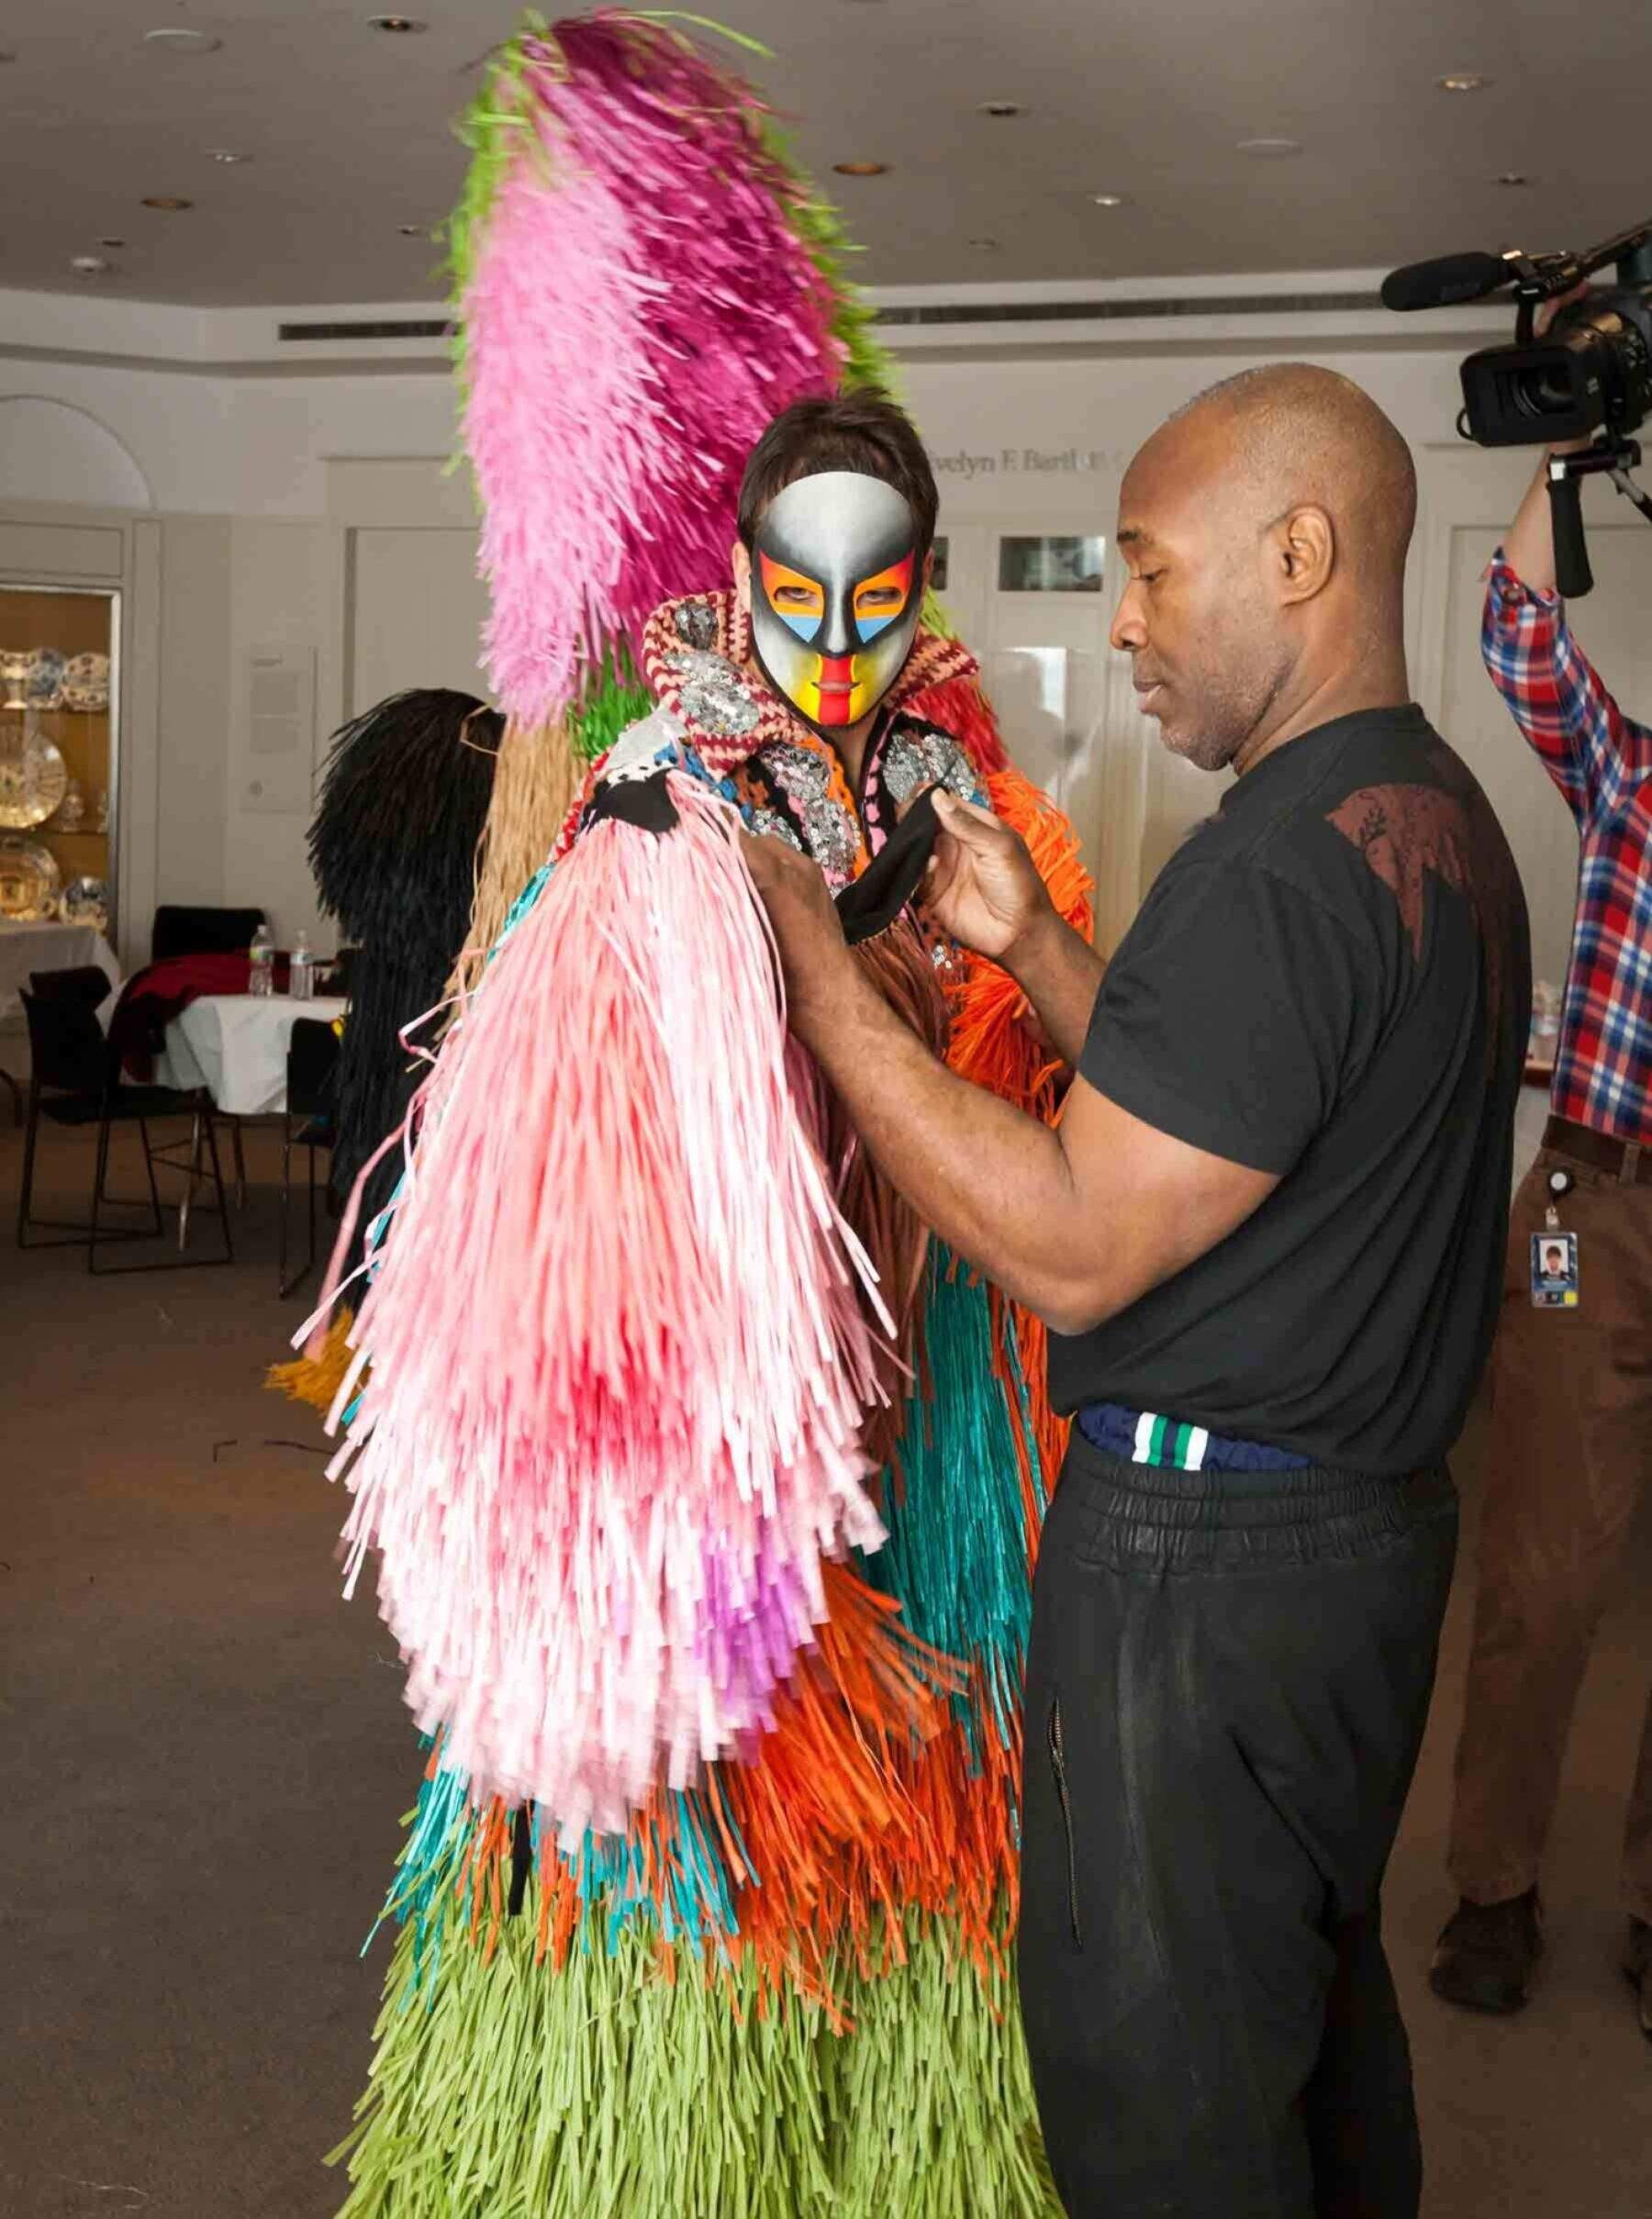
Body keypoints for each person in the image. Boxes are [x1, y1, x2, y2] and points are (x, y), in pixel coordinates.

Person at [743, 361, 1530, 2219]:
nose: (1125, 618)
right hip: (1355, 1551)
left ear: (1302, 551)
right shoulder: (1425, 821)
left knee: (1161, 2089)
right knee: (1305, 2019)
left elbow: (1080, 1233)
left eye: (1158, 569)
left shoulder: (1271, 876)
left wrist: (818, 974)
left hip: (1206, 1579)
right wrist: (1040, 947)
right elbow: (1237, 1114)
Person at [1430, 420, 1652, 2033]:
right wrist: (1572, 453)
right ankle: (1494, 1887)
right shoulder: (1635, 774)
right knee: (1543, 1576)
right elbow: (1516, 626)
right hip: (1603, 1208)